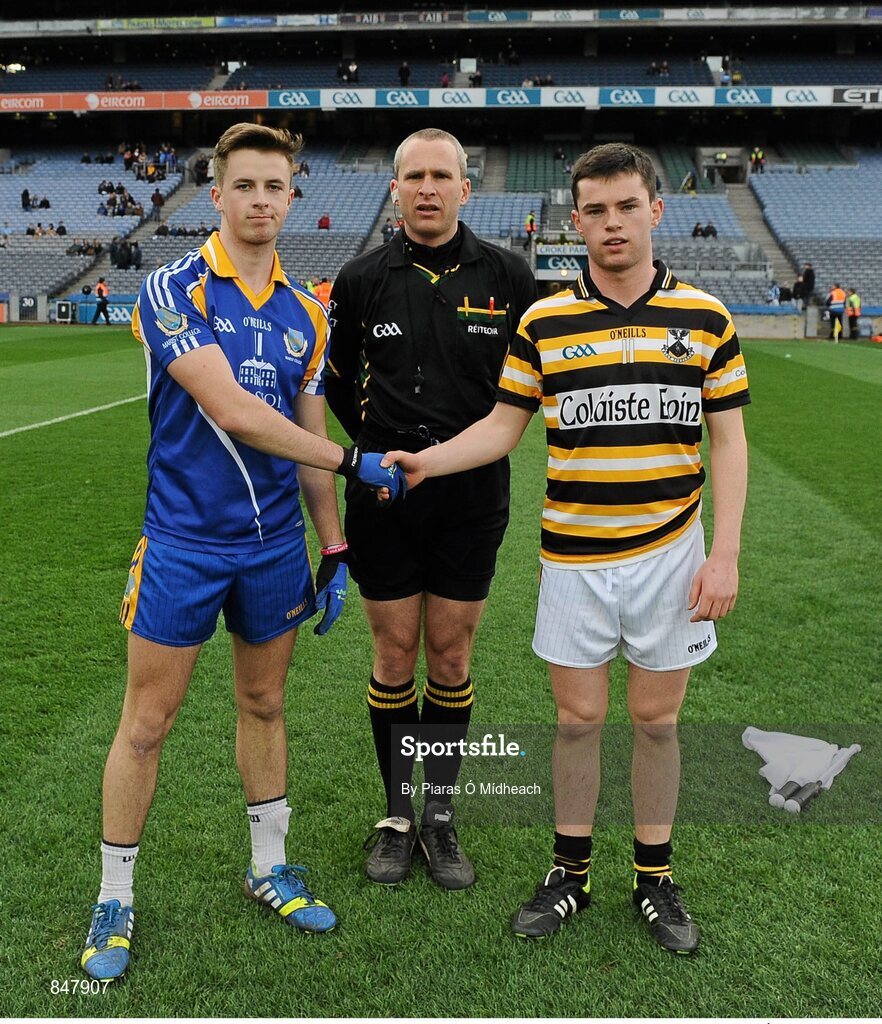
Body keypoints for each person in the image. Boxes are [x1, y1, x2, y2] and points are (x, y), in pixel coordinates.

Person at [384, 143, 749, 954]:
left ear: (655, 210)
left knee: (656, 721)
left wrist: (723, 553)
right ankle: (570, 874)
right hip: (575, 558)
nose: (611, 224)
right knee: (578, 718)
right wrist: (427, 460)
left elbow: (728, 441)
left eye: (627, 207)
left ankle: (654, 879)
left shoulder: (706, 318)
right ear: (574, 219)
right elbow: (501, 427)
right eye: (595, 210)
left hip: (671, 555)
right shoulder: (544, 322)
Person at [79, 123, 405, 984]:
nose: (262, 200)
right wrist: (353, 462)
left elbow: (306, 430)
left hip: (272, 549)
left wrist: (332, 541)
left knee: (264, 707)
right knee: (146, 725)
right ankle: (115, 895)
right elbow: (230, 410)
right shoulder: (173, 288)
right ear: (215, 195)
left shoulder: (308, 313)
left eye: (277, 187)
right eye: (246, 185)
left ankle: (270, 869)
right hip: (184, 542)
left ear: (293, 199)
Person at [325, 128, 537, 891]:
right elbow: (341, 380)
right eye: (412, 175)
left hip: (473, 495)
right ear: (394, 187)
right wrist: (372, 454)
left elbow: (528, 390)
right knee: (392, 656)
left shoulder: (511, 276)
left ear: (464, 188)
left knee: (449, 656)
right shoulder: (359, 278)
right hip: (383, 493)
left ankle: (440, 815)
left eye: (440, 175)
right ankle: (396, 814)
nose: (426, 188)